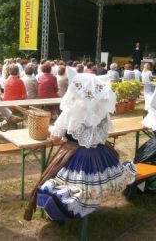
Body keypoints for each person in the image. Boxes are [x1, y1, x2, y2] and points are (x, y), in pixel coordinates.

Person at [26, 73, 136, 221]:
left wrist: (60, 136)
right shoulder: (102, 111)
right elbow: (104, 135)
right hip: (102, 155)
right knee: (96, 182)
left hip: (76, 155)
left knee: (53, 179)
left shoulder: (72, 110)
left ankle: (62, 211)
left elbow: (56, 138)